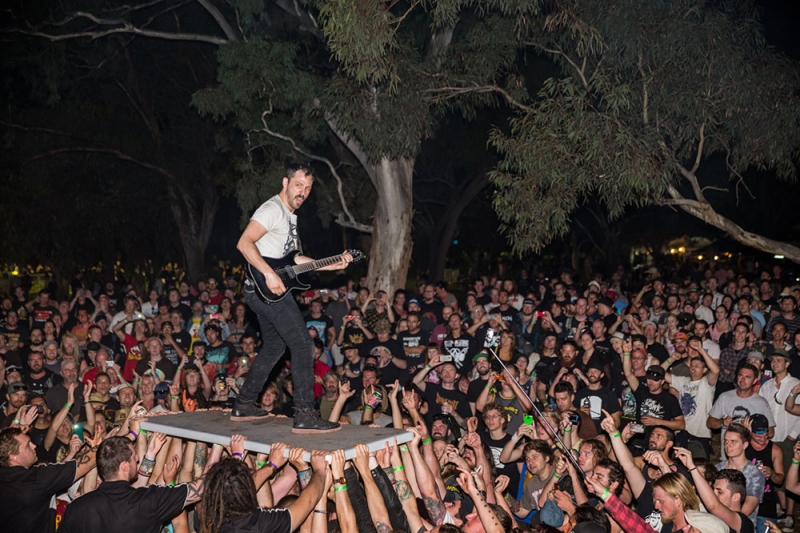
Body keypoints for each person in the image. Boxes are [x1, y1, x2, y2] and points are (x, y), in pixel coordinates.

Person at [233, 163, 353, 432]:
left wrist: (329, 264)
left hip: (260, 293)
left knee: (275, 348)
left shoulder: (291, 216)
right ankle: (304, 414)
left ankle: (243, 404)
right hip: (267, 291)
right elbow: (244, 243)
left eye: (308, 187)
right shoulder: (272, 209)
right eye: (299, 185)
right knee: (303, 346)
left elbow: (294, 259)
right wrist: (268, 274)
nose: (303, 192)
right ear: (285, 182)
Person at [59, 434, 211, 532]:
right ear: (124, 466)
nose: (137, 458)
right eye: (134, 457)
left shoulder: (76, 508)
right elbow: (199, 489)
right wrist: (232, 456)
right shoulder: (148, 500)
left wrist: (151, 453)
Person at [0, 425, 99, 532]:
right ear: (13, 456)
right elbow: (88, 462)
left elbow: (56, 476)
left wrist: (71, 454)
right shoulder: (35, 479)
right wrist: (97, 446)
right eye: (27, 445)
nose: (34, 445)